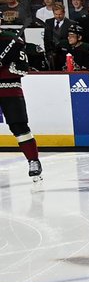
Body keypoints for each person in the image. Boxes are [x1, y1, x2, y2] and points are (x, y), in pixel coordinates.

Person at [0, 26, 40, 182]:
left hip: (9, 89)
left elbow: (23, 69)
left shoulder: (13, 40)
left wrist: (4, 67)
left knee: (19, 126)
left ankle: (33, 160)